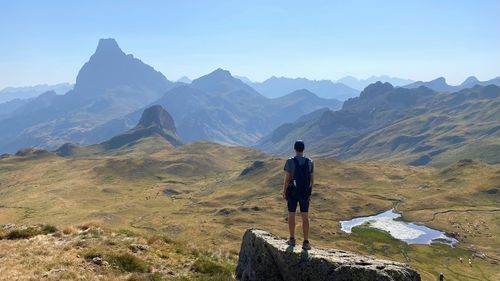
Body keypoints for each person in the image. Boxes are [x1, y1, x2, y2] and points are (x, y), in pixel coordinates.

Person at [282, 140, 314, 250]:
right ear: (303, 149)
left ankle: (292, 239)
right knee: (305, 216)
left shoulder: (290, 162)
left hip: (293, 192)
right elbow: (312, 180)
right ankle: (306, 242)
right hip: (305, 192)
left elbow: (287, 179)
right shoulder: (310, 162)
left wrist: (284, 191)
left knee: (291, 214)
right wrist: (309, 192)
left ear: (295, 149)